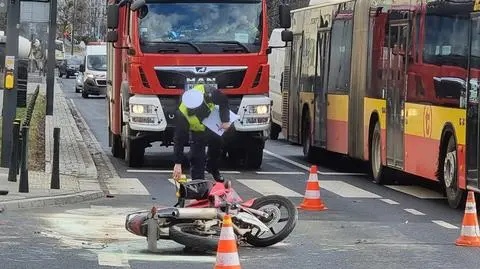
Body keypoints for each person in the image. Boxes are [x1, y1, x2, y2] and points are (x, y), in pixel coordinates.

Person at [172, 84, 231, 182]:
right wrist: (178, 163)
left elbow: (223, 101)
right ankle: (198, 183)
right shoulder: (182, 114)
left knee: (218, 142)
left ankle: (212, 167)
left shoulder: (209, 93)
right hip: (197, 132)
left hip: (212, 124)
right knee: (197, 158)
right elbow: (179, 139)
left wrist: (225, 120)